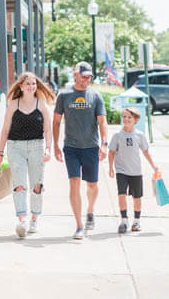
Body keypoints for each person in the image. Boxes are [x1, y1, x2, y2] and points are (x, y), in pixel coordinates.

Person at [0, 72, 55, 238]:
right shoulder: (13, 105)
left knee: (37, 185)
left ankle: (34, 218)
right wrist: (0, 153)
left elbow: (48, 129)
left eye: (33, 84)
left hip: (37, 146)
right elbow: (5, 129)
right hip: (15, 147)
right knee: (19, 184)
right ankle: (22, 220)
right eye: (28, 84)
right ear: (21, 86)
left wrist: (48, 148)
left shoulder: (41, 104)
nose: (31, 86)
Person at [53, 61, 108, 240]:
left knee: (92, 185)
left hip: (91, 147)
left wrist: (104, 143)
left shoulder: (95, 96)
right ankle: (79, 225)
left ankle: (90, 211)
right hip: (71, 147)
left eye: (89, 76)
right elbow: (56, 121)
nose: (87, 79)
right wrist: (55, 145)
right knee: (74, 181)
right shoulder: (64, 95)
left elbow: (102, 121)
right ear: (75, 75)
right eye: (83, 75)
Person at [108, 107, 158, 233]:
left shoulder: (139, 135)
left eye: (129, 117)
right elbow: (111, 152)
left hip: (136, 171)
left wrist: (153, 166)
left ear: (136, 120)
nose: (126, 119)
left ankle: (136, 221)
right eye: (124, 117)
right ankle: (124, 220)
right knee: (121, 194)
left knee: (137, 197)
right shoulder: (117, 136)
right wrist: (110, 168)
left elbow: (146, 152)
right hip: (121, 171)